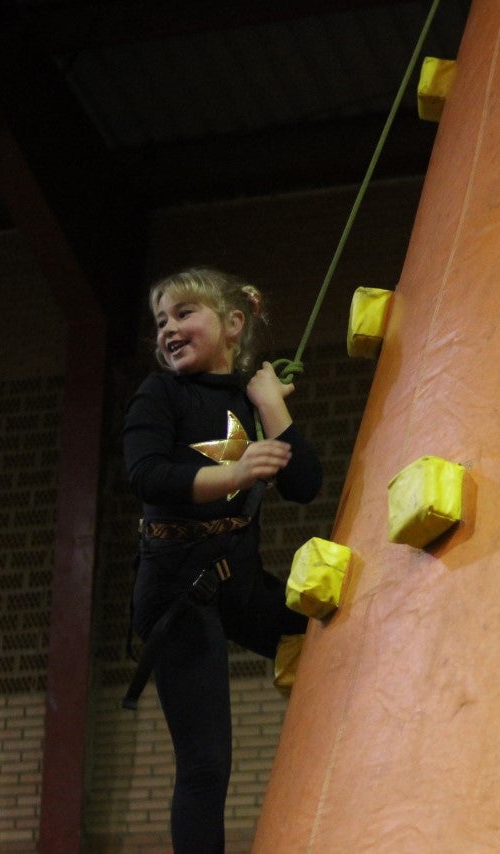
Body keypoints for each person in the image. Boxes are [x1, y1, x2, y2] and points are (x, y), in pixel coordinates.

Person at [122, 267, 322, 853]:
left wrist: (271, 406)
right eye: (161, 321)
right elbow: (147, 475)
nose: (169, 329)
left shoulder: (249, 401)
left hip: (239, 583)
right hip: (177, 593)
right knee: (207, 762)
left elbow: (305, 485)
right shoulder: (160, 394)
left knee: (333, 638)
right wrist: (234, 472)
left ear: (234, 324)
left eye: (184, 314)